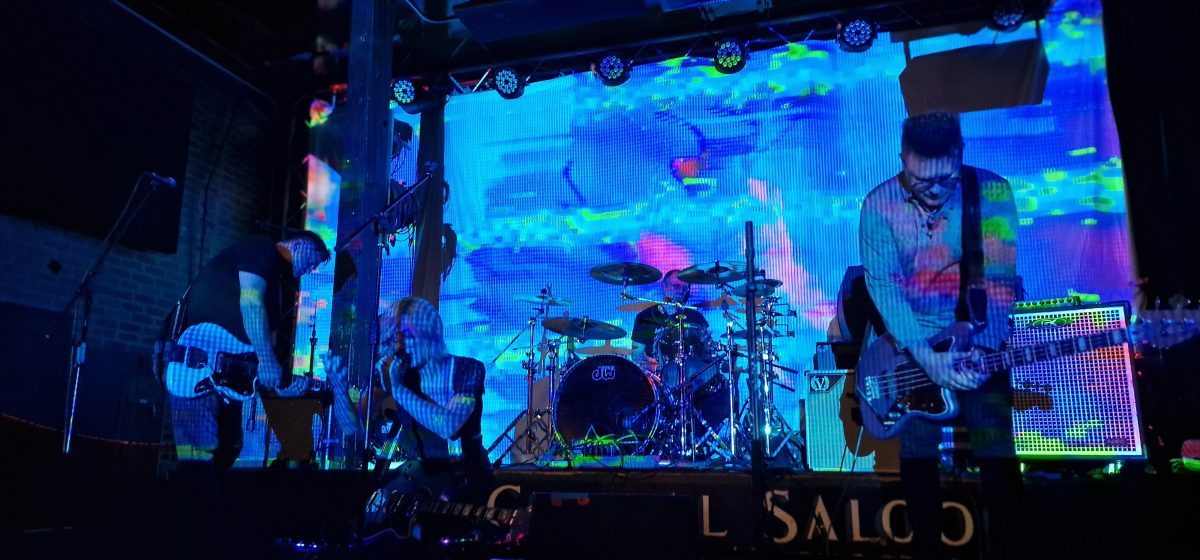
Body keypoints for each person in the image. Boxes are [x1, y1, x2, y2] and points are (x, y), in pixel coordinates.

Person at [858, 111, 1023, 559]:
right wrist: (926, 356)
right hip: (911, 347)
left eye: (945, 179)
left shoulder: (991, 192)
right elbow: (884, 286)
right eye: (919, 180)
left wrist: (982, 348)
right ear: (902, 160)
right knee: (917, 455)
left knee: (997, 456)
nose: (932, 191)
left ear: (960, 154)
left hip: (979, 341)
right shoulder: (878, 205)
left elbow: (1000, 280)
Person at [324, 296, 493, 550]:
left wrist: (401, 389)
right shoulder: (400, 374)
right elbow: (353, 425)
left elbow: (450, 427)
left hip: (464, 481)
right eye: (397, 337)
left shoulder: (467, 370)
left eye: (407, 335)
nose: (400, 344)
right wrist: (339, 388)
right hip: (416, 482)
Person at [167, 231, 330, 473]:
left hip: (226, 383)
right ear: (298, 244)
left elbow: (264, 359)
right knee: (199, 461)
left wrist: (280, 385)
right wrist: (266, 360)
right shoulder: (263, 249)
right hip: (195, 365)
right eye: (313, 259)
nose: (312, 268)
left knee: (227, 450)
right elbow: (251, 303)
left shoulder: (276, 291)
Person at [630, 269, 711, 385]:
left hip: (694, 381)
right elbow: (636, 354)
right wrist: (650, 364)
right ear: (664, 286)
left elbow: (707, 352)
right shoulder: (645, 317)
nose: (680, 291)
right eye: (676, 286)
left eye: (684, 288)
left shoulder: (696, 317)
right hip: (658, 382)